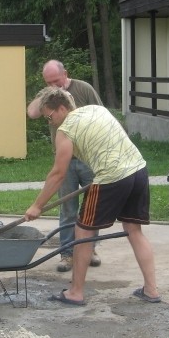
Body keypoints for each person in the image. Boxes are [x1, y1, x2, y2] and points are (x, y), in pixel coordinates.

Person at [24, 87, 160, 306]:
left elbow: (58, 173)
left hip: (111, 177)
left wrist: (37, 206)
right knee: (134, 230)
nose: (50, 122)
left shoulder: (65, 130)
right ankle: (151, 291)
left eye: (49, 117)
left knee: (83, 232)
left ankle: (75, 292)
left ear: (61, 108)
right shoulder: (97, 109)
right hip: (138, 170)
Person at [27, 60, 103, 272]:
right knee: (68, 209)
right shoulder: (48, 95)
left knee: (92, 207)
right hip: (64, 159)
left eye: (56, 81)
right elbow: (32, 113)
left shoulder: (83, 88)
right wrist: (47, 93)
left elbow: (100, 114)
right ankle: (67, 254)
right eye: (48, 82)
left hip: (88, 158)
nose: (54, 85)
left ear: (65, 74)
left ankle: (90, 249)